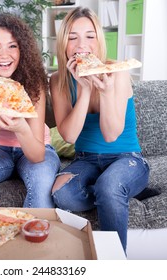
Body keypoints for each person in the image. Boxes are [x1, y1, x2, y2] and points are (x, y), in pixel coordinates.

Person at [50, 7, 150, 252]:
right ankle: (116, 191)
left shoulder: (117, 71)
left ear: (99, 41)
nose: (81, 44)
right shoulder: (57, 80)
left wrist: (104, 92)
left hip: (127, 158)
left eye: (89, 36)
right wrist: (83, 90)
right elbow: (69, 136)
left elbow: (111, 134)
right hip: (86, 160)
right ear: (63, 44)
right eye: (72, 37)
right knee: (61, 194)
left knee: (109, 186)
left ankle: (114, 267)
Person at [0, 14, 60, 208]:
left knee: (42, 179)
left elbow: (37, 156)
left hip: (33, 149)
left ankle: (32, 236)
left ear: (22, 49)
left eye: (12, 46)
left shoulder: (35, 83)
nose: (4, 54)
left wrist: (21, 128)